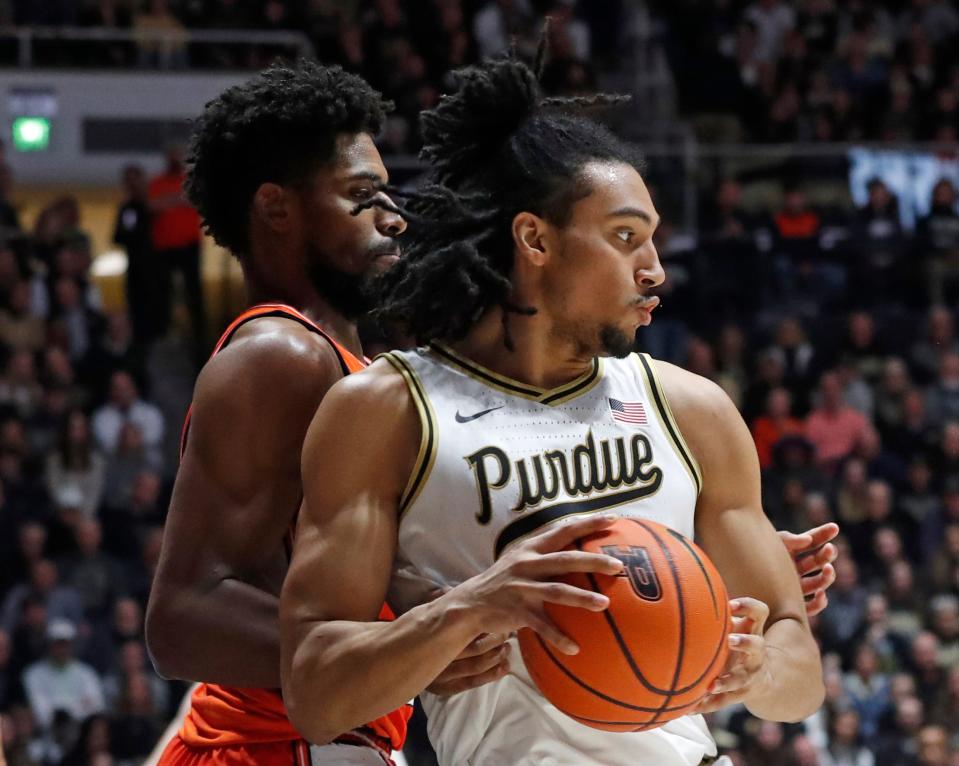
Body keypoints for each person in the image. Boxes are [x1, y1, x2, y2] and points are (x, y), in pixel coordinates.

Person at [280, 56, 827, 765]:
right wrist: (464, 610)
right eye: (626, 237)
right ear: (534, 239)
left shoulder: (691, 408)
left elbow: (800, 677)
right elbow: (316, 695)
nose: (655, 268)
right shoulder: (386, 411)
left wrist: (756, 666)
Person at [143, 60, 499, 766]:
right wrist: (398, 655)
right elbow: (183, 616)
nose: (392, 216)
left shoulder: (345, 361)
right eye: (360, 196)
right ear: (277, 208)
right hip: (266, 746)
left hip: (334, 741)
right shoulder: (280, 355)